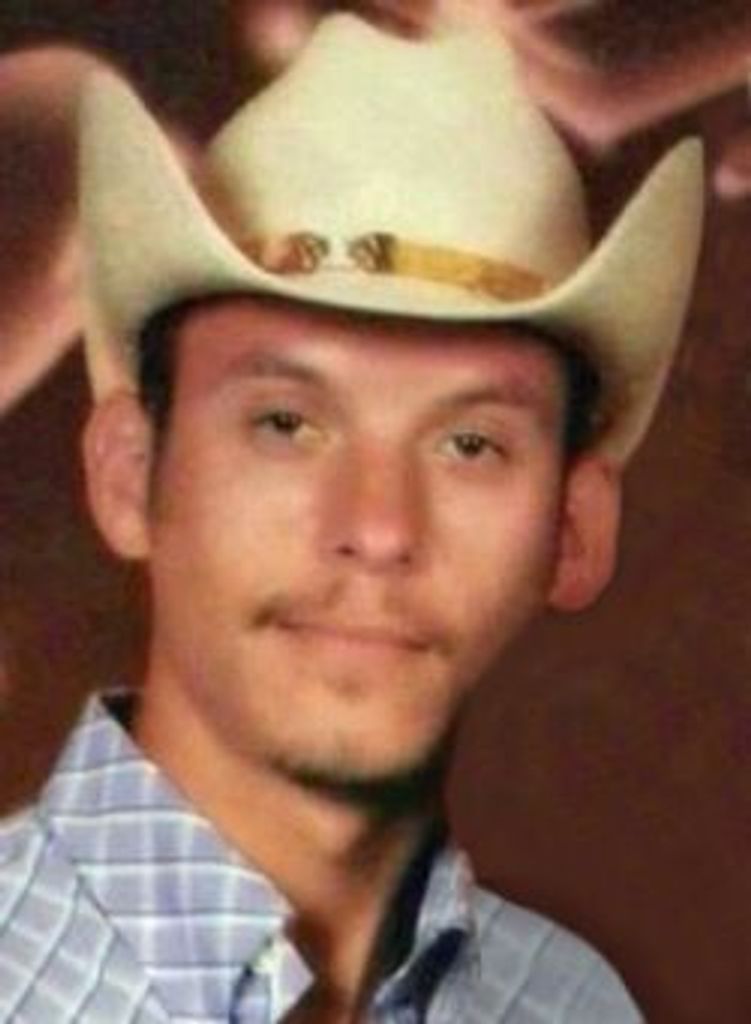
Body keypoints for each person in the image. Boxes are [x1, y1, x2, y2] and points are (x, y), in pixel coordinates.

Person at [0, 13, 703, 1023]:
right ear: (128, 474)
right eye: (285, 423)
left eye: (470, 444)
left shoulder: (571, 1004)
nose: (377, 527)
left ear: (573, 530)